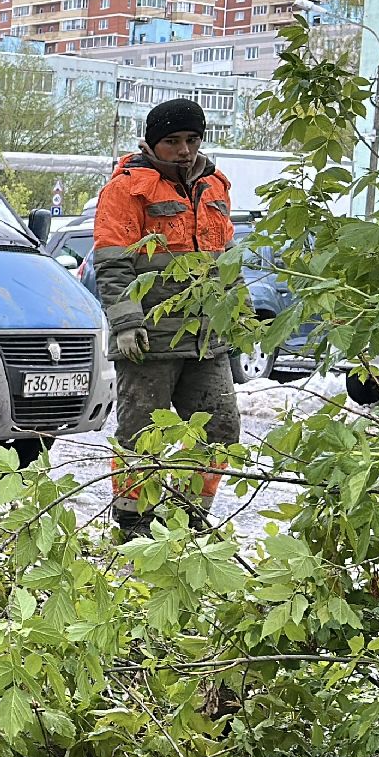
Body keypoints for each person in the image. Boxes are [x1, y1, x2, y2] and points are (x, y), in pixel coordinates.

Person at [92, 97, 241, 538]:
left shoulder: (215, 187)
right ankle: (133, 522)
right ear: (152, 143)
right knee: (141, 436)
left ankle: (192, 517)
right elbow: (113, 262)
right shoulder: (127, 188)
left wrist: (238, 312)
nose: (184, 150)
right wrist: (126, 322)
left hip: (206, 339)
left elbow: (225, 260)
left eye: (192, 140)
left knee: (221, 428)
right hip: (149, 341)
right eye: (172, 141)